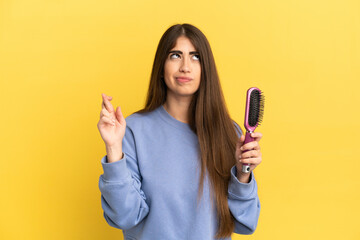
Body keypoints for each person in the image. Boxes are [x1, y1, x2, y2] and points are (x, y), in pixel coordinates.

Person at [97, 23, 262, 240]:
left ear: (206, 69)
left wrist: (243, 173)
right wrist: (113, 147)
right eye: (175, 55)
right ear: (161, 66)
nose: (185, 66)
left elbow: (245, 222)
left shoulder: (228, 132)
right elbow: (125, 217)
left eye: (195, 57)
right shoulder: (133, 130)